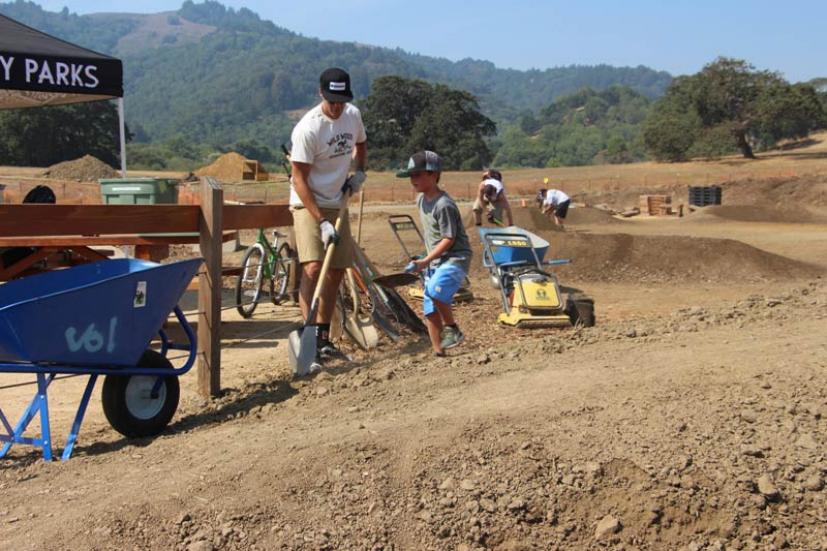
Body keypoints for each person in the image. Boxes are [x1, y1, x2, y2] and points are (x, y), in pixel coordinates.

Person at [289, 67, 367, 364]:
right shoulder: (309, 128)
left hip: (338, 200)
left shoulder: (353, 115)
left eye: (342, 101)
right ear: (321, 94)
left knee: (336, 270)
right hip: (307, 202)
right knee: (312, 268)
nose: (337, 107)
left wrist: (359, 172)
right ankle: (307, 333)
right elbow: (299, 179)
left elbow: (361, 142)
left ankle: (323, 338)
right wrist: (320, 220)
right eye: (332, 101)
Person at [397, 150, 472, 357]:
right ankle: (439, 351)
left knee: (435, 291)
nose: (413, 180)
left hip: (455, 258)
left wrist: (426, 260)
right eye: (411, 175)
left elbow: (449, 238)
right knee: (430, 307)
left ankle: (453, 329)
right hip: (434, 261)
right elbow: (433, 235)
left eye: (418, 174)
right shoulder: (421, 200)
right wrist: (424, 257)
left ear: (433, 174)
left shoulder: (444, 205)